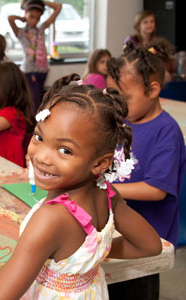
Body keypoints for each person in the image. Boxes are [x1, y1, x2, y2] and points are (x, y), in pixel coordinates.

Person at [0, 73, 162, 300]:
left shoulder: (50, 219)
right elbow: (150, 245)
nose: (41, 156)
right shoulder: (107, 193)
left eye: (65, 150)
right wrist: (88, 256)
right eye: (39, 137)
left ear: (100, 163)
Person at [107, 40, 186, 300]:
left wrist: (104, 187)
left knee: (137, 290)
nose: (117, 104)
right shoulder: (124, 120)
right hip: (117, 227)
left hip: (147, 240)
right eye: (113, 95)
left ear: (153, 90)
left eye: (124, 98)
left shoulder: (166, 131)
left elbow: (156, 190)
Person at [8, 0, 62, 113]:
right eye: (31, 16)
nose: (34, 20)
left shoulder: (41, 29)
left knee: (40, 98)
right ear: (26, 13)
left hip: (43, 70)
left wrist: (41, 1)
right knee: (34, 101)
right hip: (29, 71)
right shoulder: (21, 33)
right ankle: (34, 125)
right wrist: (22, 18)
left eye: (37, 18)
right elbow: (10, 18)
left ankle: (37, 122)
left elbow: (58, 7)